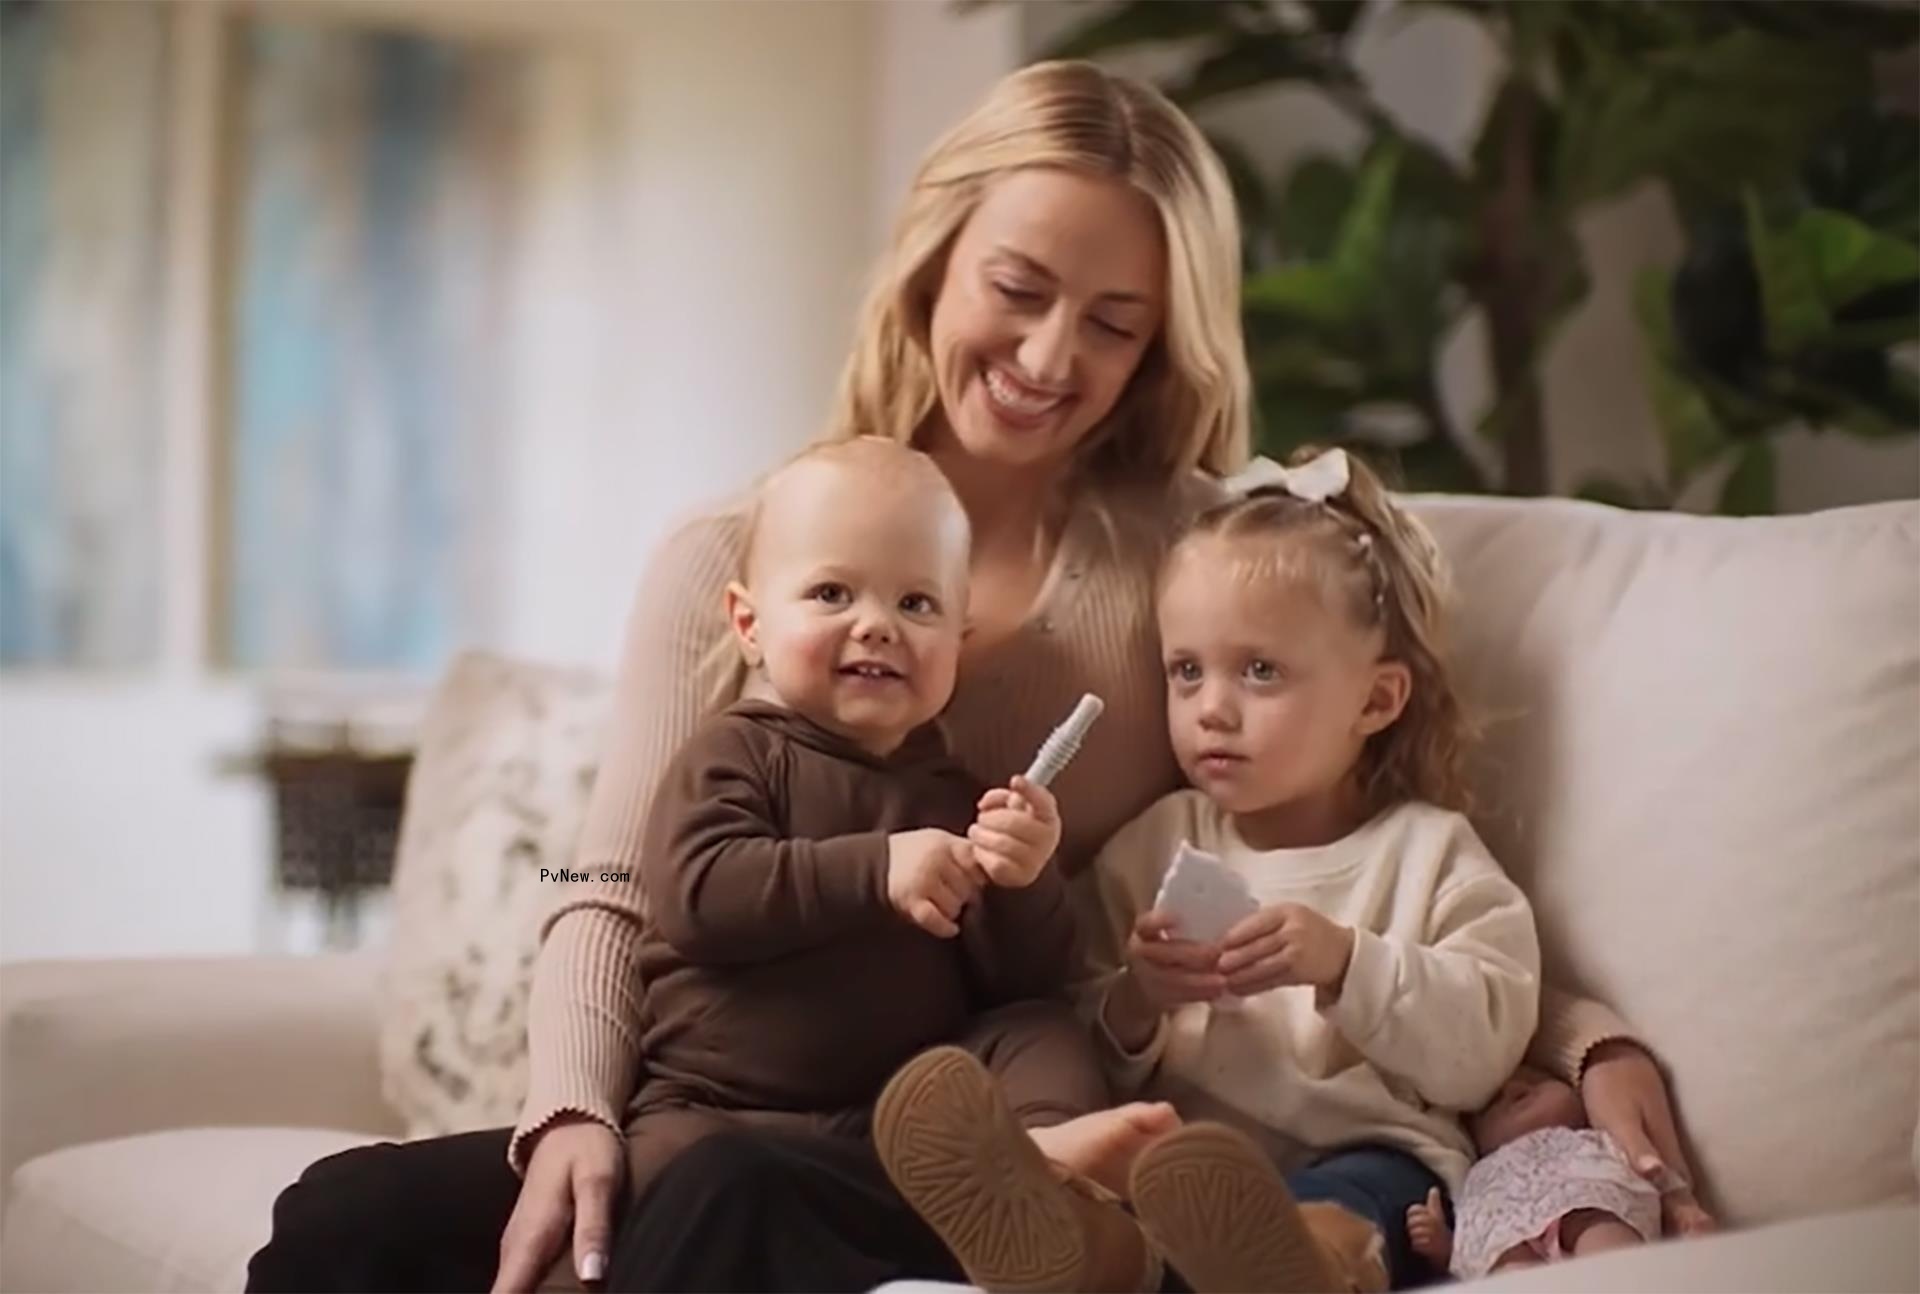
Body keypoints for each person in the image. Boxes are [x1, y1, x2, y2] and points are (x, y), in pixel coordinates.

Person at [248, 58, 1710, 1294]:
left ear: (1160, 347)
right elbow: (621, 885)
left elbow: (1357, 826)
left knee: (734, 1200)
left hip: (965, 1116)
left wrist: (1589, 1038)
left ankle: (1040, 1194)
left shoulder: (1192, 565)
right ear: (936, 260)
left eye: (1115, 323)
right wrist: (568, 1113)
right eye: (1016, 288)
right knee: (342, 1221)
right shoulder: (736, 556)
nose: (1047, 354)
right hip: (726, 1095)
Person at [873, 446, 1541, 1293]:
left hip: (1369, 1157)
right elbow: (1082, 1030)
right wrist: (1139, 997)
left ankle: (1307, 1266)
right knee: (1149, 1196)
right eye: (1186, 671)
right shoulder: (1156, 844)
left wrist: (1347, 962)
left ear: (1376, 701)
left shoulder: (1427, 853)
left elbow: (1484, 1051)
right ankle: (1083, 1253)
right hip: (1175, 1168)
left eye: (1260, 671)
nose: (1211, 709)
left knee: (1353, 1199)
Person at [1404, 1063, 1677, 1279]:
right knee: (1505, 1267)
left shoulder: (1593, 1138)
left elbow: (1650, 1163)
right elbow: (1471, 1252)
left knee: (1603, 1238)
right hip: (1509, 1244)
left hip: (1590, 1205)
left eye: (1538, 1082)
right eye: (1492, 1103)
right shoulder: (1478, 1173)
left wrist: (1679, 1201)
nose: (1513, 1089)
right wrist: (1444, 1246)